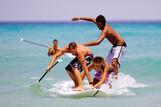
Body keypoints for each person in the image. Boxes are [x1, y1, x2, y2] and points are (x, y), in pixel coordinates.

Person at [72, 15, 127, 79]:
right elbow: (91, 19)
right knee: (106, 65)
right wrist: (79, 18)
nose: (99, 27)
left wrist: (82, 45)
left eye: (100, 25)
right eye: (98, 24)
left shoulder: (106, 30)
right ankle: (106, 80)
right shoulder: (99, 22)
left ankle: (116, 78)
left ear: (104, 23)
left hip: (120, 46)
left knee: (114, 63)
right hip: (114, 47)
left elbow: (97, 42)